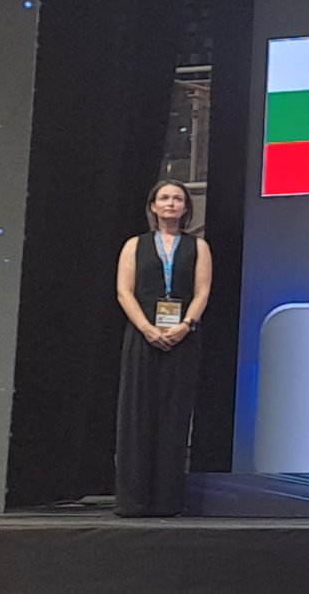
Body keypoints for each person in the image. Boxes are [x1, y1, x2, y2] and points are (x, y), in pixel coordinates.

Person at [115, 179, 210, 517]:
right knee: (137, 415)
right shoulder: (134, 245)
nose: (171, 203)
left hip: (183, 339)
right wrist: (146, 328)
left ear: (186, 208)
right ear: (153, 206)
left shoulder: (198, 247)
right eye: (164, 198)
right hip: (142, 337)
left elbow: (202, 291)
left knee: (174, 416)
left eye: (178, 199)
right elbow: (124, 292)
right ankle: (133, 501)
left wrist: (185, 326)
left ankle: (167, 501)